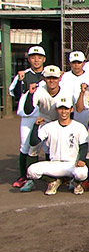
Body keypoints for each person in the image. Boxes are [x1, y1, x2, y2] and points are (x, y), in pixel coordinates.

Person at [21, 96, 89, 195]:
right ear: (56, 110)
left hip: (72, 164)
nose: (63, 111)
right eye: (61, 108)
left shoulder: (79, 127)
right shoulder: (49, 127)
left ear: (71, 109)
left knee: (82, 173)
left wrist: (81, 160)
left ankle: (75, 183)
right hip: (54, 163)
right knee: (31, 170)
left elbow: (83, 146)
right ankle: (52, 181)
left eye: (66, 108)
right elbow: (33, 142)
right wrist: (36, 126)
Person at [10, 46, 46, 189]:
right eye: (33, 57)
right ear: (29, 59)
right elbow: (16, 94)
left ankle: (53, 177)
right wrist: (20, 81)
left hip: (45, 115)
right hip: (28, 117)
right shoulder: (23, 74)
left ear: (44, 59)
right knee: (25, 145)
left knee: (49, 147)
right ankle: (24, 176)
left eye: (39, 57)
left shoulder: (50, 74)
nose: (36, 60)